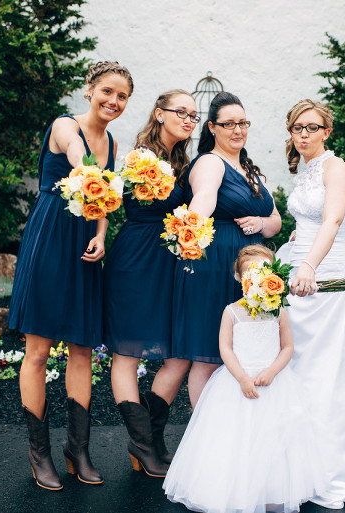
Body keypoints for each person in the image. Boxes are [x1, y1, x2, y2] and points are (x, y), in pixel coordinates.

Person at [9, 61, 133, 490]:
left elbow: (104, 200)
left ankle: (77, 450)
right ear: (89, 89)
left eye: (122, 97)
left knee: (82, 349)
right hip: (51, 238)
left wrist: (101, 234)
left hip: (85, 245)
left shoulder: (112, 143)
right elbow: (80, 161)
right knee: (39, 351)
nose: (113, 102)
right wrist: (88, 168)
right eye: (107, 92)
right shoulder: (66, 126)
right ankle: (38, 452)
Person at [279, 99, 345, 508]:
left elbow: (334, 220)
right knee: (302, 370)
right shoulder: (307, 169)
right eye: (296, 129)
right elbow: (311, 220)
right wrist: (295, 243)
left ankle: (336, 466)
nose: (303, 135)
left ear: (327, 131)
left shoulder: (336, 167)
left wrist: (309, 261)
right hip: (301, 275)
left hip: (328, 278)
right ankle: (304, 462)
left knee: (329, 375)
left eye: (311, 128)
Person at [164, 245, 325, 513]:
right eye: (250, 273)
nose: (258, 278)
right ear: (239, 278)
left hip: (273, 385)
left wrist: (272, 371)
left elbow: (287, 347)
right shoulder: (231, 312)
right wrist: (241, 377)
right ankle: (232, 490)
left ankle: (271, 489)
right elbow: (225, 349)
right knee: (234, 438)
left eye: (264, 271)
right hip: (237, 383)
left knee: (273, 439)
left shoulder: (279, 312)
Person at [103, 90, 198, 477]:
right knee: (128, 353)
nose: (189, 119)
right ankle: (144, 444)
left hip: (171, 262)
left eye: (194, 114)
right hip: (137, 259)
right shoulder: (141, 157)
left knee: (180, 352)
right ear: (159, 114)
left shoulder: (183, 161)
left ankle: (152, 439)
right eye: (181, 112)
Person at [171, 92, 281, 407]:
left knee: (248, 348)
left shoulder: (252, 170)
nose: (237, 130)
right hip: (215, 263)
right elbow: (204, 197)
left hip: (252, 267)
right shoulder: (210, 162)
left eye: (242, 123)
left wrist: (260, 224)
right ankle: (203, 435)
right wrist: (190, 230)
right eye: (228, 124)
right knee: (209, 352)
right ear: (212, 128)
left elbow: (276, 220)